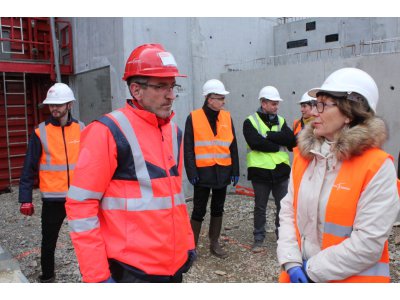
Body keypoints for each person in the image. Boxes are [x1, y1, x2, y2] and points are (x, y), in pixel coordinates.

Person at [65, 44, 195, 283]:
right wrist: (97, 276)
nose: (171, 95)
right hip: (131, 271)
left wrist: (187, 243)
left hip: (173, 266)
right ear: (136, 89)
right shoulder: (107, 132)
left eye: (173, 86)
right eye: (161, 86)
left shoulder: (173, 132)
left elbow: (175, 197)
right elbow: (81, 207)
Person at [277, 67, 400, 283]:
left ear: (349, 113)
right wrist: (291, 261)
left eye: (323, 104)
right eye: (316, 104)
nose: (314, 112)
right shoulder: (305, 157)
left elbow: (368, 243)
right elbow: (287, 211)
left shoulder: (377, 167)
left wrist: (311, 270)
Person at [18, 83, 84, 283]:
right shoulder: (40, 132)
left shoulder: (82, 128)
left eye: (59, 104)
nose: (54, 108)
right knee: (48, 242)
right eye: (51, 105)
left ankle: (93, 277)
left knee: (87, 240)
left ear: (69, 105)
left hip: (79, 198)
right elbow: (29, 167)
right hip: (52, 200)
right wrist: (25, 198)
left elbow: (93, 162)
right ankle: (47, 278)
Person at [184, 79, 239, 259]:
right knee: (199, 209)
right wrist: (191, 172)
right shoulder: (194, 117)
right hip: (202, 173)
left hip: (222, 171)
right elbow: (188, 147)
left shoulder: (226, 116)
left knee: (218, 207)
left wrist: (235, 170)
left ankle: (214, 242)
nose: (223, 101)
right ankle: (191, 246)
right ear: (209, 99)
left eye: (223, 98)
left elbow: (233, 145)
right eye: (220, 98)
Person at [243, 86, 295, 253]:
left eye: (277, 103)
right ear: (263, 103)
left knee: (283, 207)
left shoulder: (280, 120)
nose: (276, 107)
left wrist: (269, 136)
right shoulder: (250, 121)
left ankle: (283, 238)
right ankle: (259, 238)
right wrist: (276, 144)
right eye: (273, 103)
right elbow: (255, 143)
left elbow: (291, 140)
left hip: (281, 171)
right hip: (260, 171)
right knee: (260, 206)